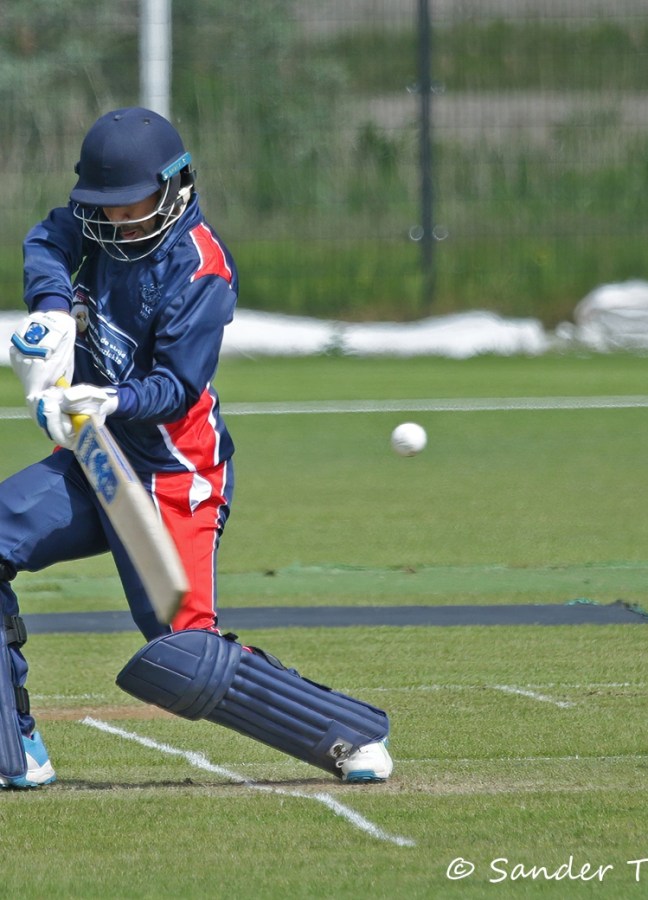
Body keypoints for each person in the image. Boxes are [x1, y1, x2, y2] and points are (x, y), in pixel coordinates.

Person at [3, 107, 392, 787]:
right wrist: (52, 311)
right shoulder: (89, 226)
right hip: (96, 460)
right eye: (106, 208)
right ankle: (17, 749)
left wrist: (110, 398)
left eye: (134, 205)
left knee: (182, 653)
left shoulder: (200, 270)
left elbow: (177, 388)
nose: (119, 221)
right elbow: (48, 239)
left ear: (175, 186)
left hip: (171, 476)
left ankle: (345, 734)